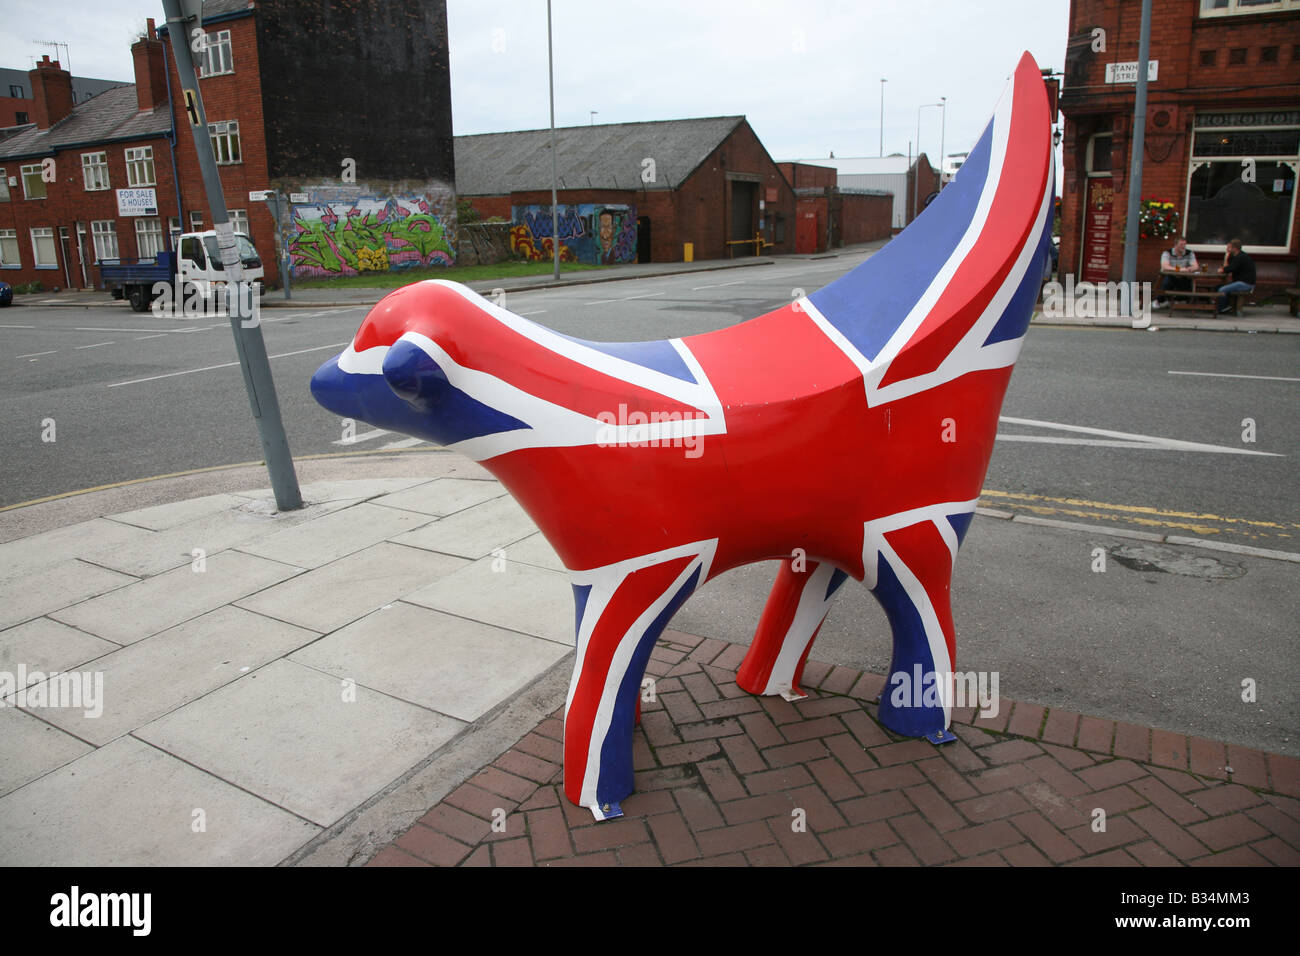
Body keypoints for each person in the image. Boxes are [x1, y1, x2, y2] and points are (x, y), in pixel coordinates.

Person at [1154, 236, 1198, 308]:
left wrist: (1190, 268)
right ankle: (1159, 300)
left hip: (1183, 277)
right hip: (1170, 276)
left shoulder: (1189, 253)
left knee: (1189, 281)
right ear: (1175, 244)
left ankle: (1182, 300)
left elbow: (1195, 266)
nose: (1183, 247)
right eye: (1181, 244)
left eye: (1184, 244)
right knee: (1167, 281)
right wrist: (1179, 269)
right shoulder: (1167, 253)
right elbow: (1165, 266)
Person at [1216, 238, 1255, 314]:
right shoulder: (1234, 256)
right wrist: (1226, 257)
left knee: (1222, 290)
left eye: (1229, 247)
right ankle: (1222, 306)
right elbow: (1226, 267)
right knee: (1217, 287)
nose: (1227, 249)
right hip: (1239, 282)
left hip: (1246, 283)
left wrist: (1223, 270)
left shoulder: (1241, 257)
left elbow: (1230, 268)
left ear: (1234, 248)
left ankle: (1222, 308)